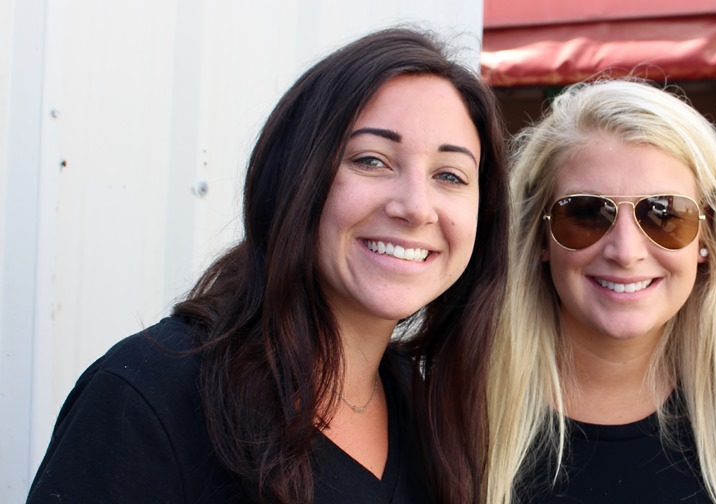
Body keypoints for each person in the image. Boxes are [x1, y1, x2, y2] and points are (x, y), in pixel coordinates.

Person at [28, 27, 507, 504]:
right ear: (296, 174)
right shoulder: (149, 397)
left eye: (450, 175)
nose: (417, 208)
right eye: (371, 160)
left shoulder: (429, 416)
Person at [485, 79, 716, 503]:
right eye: (586, 213)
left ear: (707, 238)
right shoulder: (460, 411)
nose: (626, 252)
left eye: (665, 214)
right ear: (540, 236)